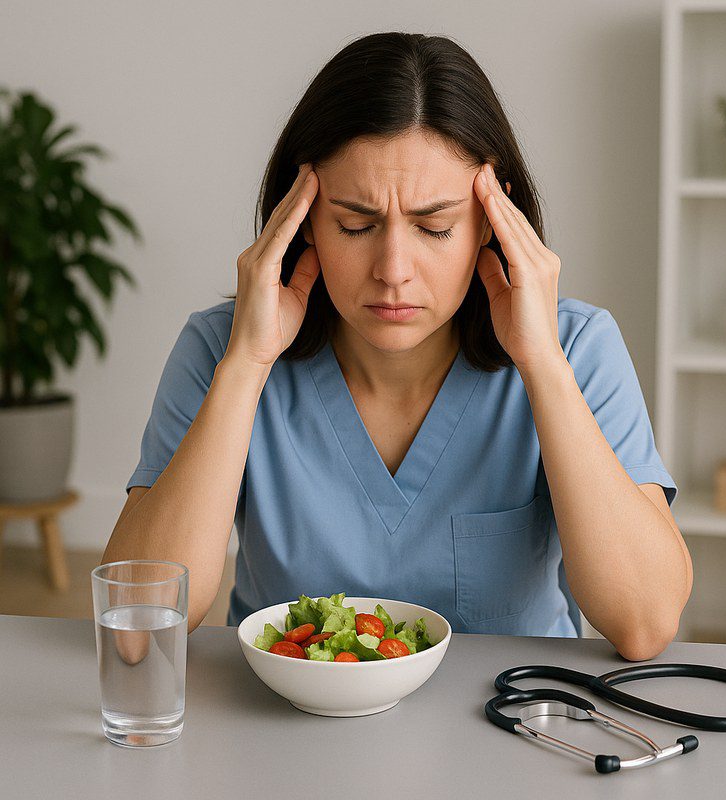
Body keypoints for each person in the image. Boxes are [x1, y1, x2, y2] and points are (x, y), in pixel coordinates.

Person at [102, 32, 692, 661]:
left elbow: (644, 623)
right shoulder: (222, 349)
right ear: (301, 220)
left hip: (512, 714)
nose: (393, 271)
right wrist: (245, 366)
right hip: (284, 716)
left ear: (491, 221)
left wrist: (543, 363)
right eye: (355, 224)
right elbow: (137, 631)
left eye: (434, 227)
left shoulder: (576, 346)